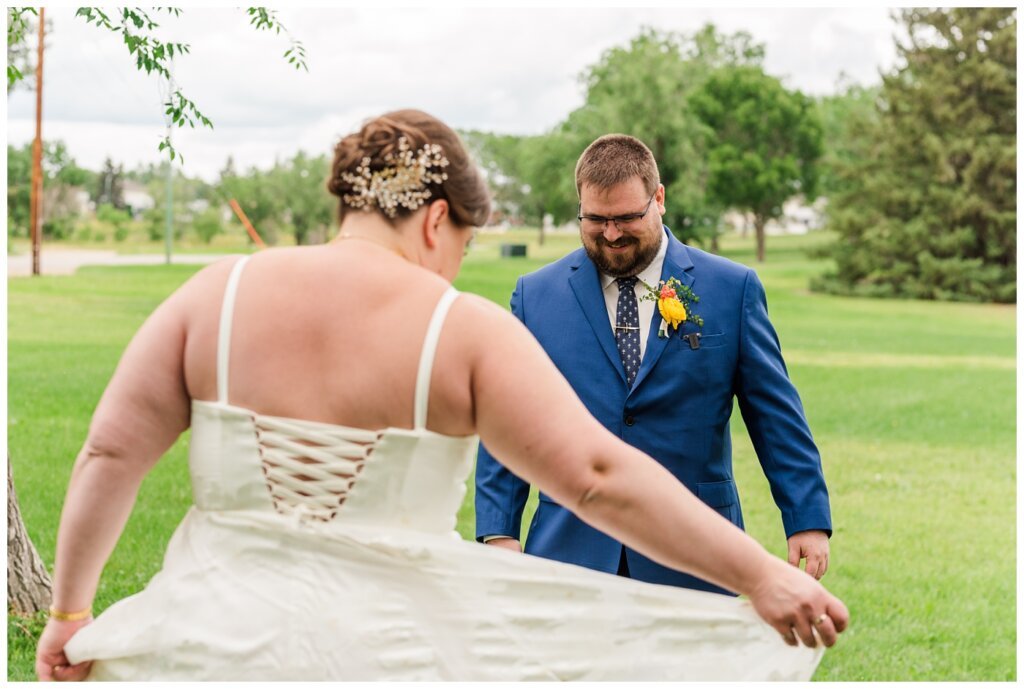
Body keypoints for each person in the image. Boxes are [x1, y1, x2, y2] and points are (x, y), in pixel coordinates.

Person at [36, 110, 847, 681]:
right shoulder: (458, 328)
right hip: (387, 657)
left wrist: (71, 612)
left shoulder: (210, 294)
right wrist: (759, 575)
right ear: (434, 220)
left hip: (199, 644)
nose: (455, 262)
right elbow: (597, 474)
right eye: (462, 241)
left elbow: (108, 452)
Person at [476, 134, 833, 594]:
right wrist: (499, 530)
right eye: (595, 219)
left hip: (698, 553)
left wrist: (806, 518)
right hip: (570, 552)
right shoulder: (536, 296)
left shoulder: (731, 288)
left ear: (658, 199)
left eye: (626, 217)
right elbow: (510, 418)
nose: (611, 234)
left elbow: (776, 416)